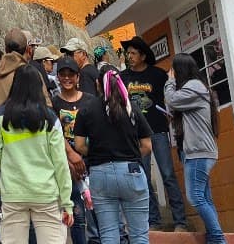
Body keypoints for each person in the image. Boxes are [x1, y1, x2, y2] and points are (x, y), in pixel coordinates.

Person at [0, 64, 72, 244]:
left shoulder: (1, 116)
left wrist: (9, 164)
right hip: (46, 193)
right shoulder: (50, 119)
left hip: (13, 192)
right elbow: (60, 163)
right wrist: (67, 202)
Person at [119, 37, 187, 233]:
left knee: (168, 175)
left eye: (133, 53)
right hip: (137, 134)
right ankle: (153, 220)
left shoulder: (158, 75)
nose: (129, 56)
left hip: (158, 130)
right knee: (143, 178)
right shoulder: (123, 78)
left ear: (142, 56)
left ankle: (180, 221)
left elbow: (173, 97)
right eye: (128, 53)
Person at [76, 68, 151, 244]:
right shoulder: (131, 107)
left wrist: (96, 153)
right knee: (139, 235)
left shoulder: (87, 110)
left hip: (100, 173)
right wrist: (129, 153)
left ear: (97, 84)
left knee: (109, 234)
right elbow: (147, 145)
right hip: (131, 171)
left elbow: (79, 145)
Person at [165, 55, 225, 244]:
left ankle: (218, 238)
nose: (172, 73)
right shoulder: (198, 87)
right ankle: (214, 237)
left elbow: (172, 100)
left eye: (173, 70)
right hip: (200, 151)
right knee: (205, 197)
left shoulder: (193, 85)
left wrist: (170, 82)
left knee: (195, 197)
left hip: (199, 152)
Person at [50, 58, 90, 244]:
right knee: (77, 213)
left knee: (95, 209)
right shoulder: (53, 104)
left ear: (77, 76)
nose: (67, 78)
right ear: (58, 77)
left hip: (90, 160)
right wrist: (67, 162)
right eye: (63, 75)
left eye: (70, 75)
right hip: (67, 164)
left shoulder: (90, 100)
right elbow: (54, 137)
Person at [0, 30, 28, 120]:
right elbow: (46, 106)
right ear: (27, 49)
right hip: (29, 131)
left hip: (0, 130)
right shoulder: (32, 74)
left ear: (5, 49)